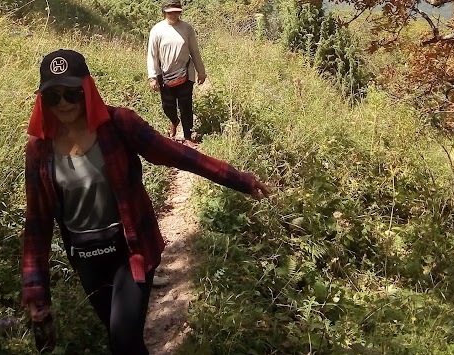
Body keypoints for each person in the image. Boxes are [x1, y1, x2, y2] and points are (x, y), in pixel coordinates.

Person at [22, 49, 271, 354]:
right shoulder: (39, 149)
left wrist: (239, 179)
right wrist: (35, 287)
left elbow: (178, 155)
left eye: (71, 93)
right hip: (85, 258)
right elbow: (37, 222)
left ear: (87, 89)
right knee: (122, 341)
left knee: (123, 339)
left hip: (130, 249)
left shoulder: (118, 125)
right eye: (53, 96)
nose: (63, 103)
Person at [147, 0, 205, 142]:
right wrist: (152, 77)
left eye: (176, 12)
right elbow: (152, 55)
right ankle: (174, 120)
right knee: (168, 106)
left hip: (186, 73)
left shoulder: (187, 29)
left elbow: (194, 51)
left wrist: (201, 71)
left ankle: (187, 136)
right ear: (164, 12)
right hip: (165, 75)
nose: (173, 15)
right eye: (170, 12)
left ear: (180, 12)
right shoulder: (157, 30)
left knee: (186, 106)